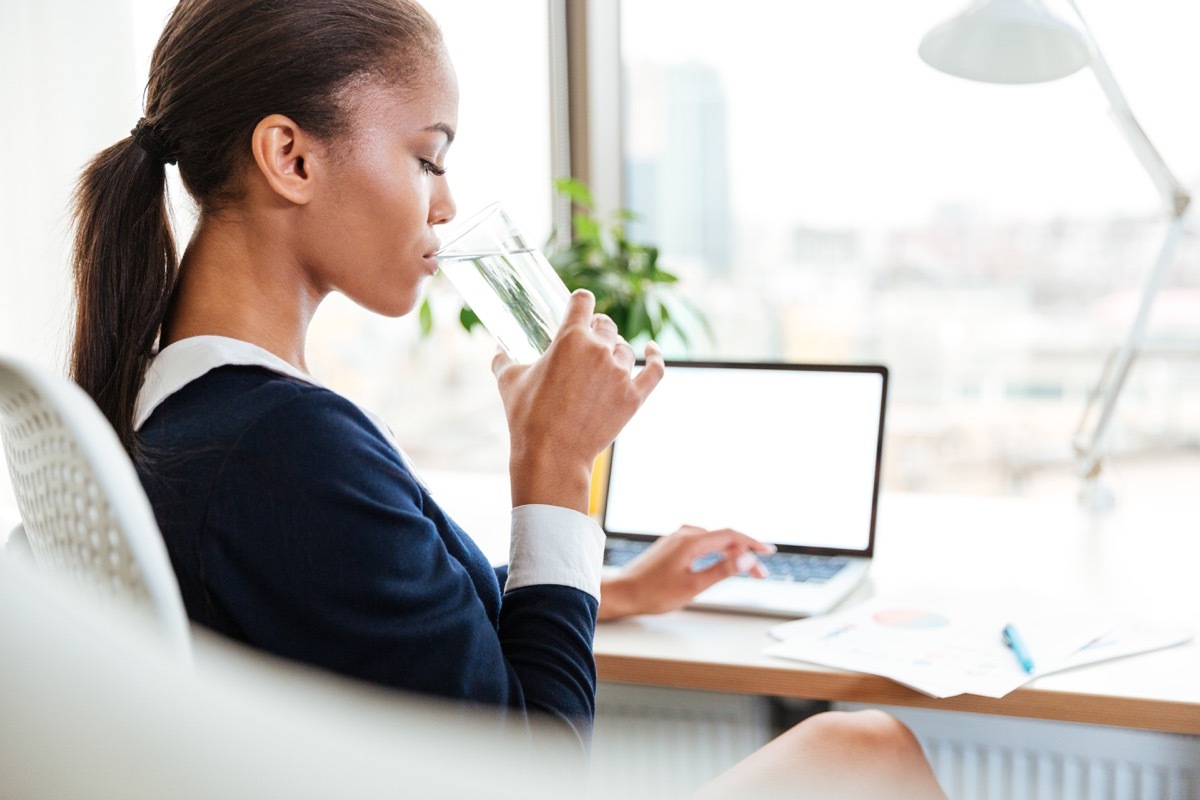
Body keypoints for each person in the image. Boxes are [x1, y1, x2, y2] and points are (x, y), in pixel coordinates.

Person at [68, 0, 945, 796]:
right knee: (869, 749)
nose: (445, 203)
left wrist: (620, 589)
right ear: (290, 157)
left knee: (859, 746)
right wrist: (556, 467)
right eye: (427, 157)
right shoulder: (282, 446)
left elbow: (385, 595)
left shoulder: (180, 407)